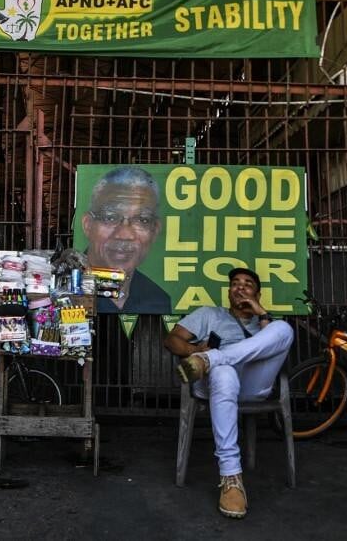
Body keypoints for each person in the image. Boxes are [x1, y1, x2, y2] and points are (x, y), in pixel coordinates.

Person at [163, 267, 294, 520]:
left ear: (258, 293)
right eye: (235, 283)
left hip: (252, 385)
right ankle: (231, 477)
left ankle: (211, 359)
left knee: (284, 329)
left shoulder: (266, 323)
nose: (240, 288)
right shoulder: (210, 314)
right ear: (228, 290)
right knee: (224, 373)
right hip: (213, 384)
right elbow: (172, 340)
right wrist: (194, 348)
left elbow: (273, 342)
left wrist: (261, 313)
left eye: (247, 284)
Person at [81, 166, 171, 315]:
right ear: (88, 225)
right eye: (110, 217)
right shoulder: (68, 287)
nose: (124, 234)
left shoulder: (159, 299)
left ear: (154, 230)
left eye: (142, 220)